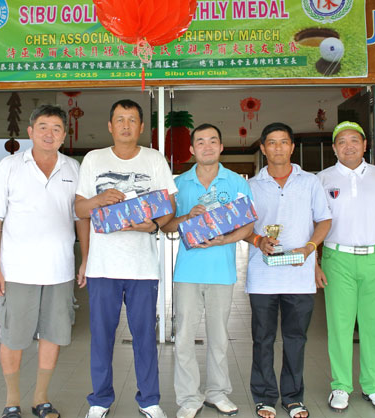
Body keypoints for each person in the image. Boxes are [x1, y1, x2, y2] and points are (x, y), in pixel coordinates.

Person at [0, 104, 88, 418]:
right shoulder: (10, 166)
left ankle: (40, 399)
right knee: (13, 338)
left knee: (53, 336)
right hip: (17, 271)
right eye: (43, 127)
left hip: (59, 271)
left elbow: (81, 218)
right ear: (30, 131)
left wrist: (86, 259)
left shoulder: (73, 168)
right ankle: (12, 401)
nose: (49, 134)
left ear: (64, 135)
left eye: (56, 128)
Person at [74, 99, 177, 418]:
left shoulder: (154, 159)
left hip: (142, 268)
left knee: (144, 337)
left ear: (141, 127)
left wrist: (153, 225)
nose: (126, 125)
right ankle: (100, 400)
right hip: (102, 267)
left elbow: (170, 207)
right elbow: (79, 210)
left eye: (132, 119)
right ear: (110, 125)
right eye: (120, 119)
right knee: (101, 338)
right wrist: (99, 199)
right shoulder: (94, 159)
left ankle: (149, 400)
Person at [161, 123, 254, 418]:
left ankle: (217, 392)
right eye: (200, 141)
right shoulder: (180, 184)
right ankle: (189, 398)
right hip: (187, 272)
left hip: (221, 272)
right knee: (184, 338)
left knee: (219, 338)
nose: (207, 146)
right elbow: (166, 226)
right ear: (192, 149)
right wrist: (187, 217)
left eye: (213, 140)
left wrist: (224, 239)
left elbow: (248, 225)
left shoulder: (236, 182)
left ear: (221, 147)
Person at [315, 121, 375, 413]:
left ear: (365, 145)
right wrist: (313, 263)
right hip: (337, 258)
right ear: (334, 148)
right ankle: (341, 386)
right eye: (341, 141)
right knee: (339, 326)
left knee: (372, 326)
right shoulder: (322, 179)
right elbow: (312, 224)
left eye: (354, 140)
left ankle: (373, 387)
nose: (349, 146)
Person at [244, 123, 332, 418]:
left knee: (296, 339)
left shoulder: (310, 182)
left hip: (299, 276)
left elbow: (324, 220)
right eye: (272, 142)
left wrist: (309, 248)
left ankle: (293, 398)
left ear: (292, 147)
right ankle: (264, 397)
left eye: (284, 142)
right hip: (262, 277)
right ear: (263, 148)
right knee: (263, 340)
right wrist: (258, 240)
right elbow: (241, 228)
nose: (278, 147)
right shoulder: (251, 186)